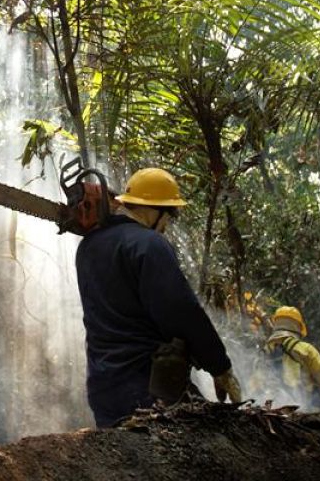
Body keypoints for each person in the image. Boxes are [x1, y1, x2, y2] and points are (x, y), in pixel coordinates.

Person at [75, 167, 242, 427]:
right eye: (168, 216)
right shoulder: (149, 244)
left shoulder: (87, 247)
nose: (166, 226)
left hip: (103, 388)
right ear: (154, 210)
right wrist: (220, 366)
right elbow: (181, 312)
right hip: (147, 387)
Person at [263, 306, 320, 410]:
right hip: (302, 408)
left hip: (268, 409)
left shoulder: (264, 351)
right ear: (298, 326)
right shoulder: (305, 349)